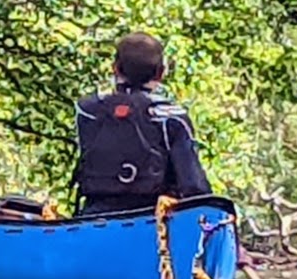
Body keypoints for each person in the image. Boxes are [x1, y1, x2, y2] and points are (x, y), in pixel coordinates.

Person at [74, 33, 211, 215]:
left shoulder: (87, 111)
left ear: (115, 68)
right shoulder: (171, 117)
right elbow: (193, 186)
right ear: (161, 73)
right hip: (155, 219)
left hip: (94, 217)